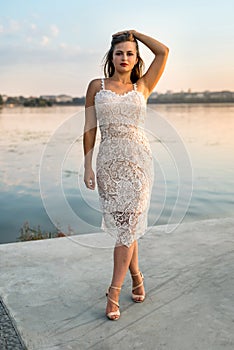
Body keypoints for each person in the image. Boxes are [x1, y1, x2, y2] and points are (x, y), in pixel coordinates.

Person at [83, 29, 169, 320]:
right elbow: (90, 128)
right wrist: (87, 164)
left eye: (130, 53)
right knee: (125, 229)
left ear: (135, 59)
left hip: (138, 165)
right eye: (119, 52)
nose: (124, 57)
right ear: (112, 56)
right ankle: (137, 277)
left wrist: (136, 34)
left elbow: (163, 52)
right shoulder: (97, 86)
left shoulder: (142, 86)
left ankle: (113, 292)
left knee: (128, 226)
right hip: (109, 163)